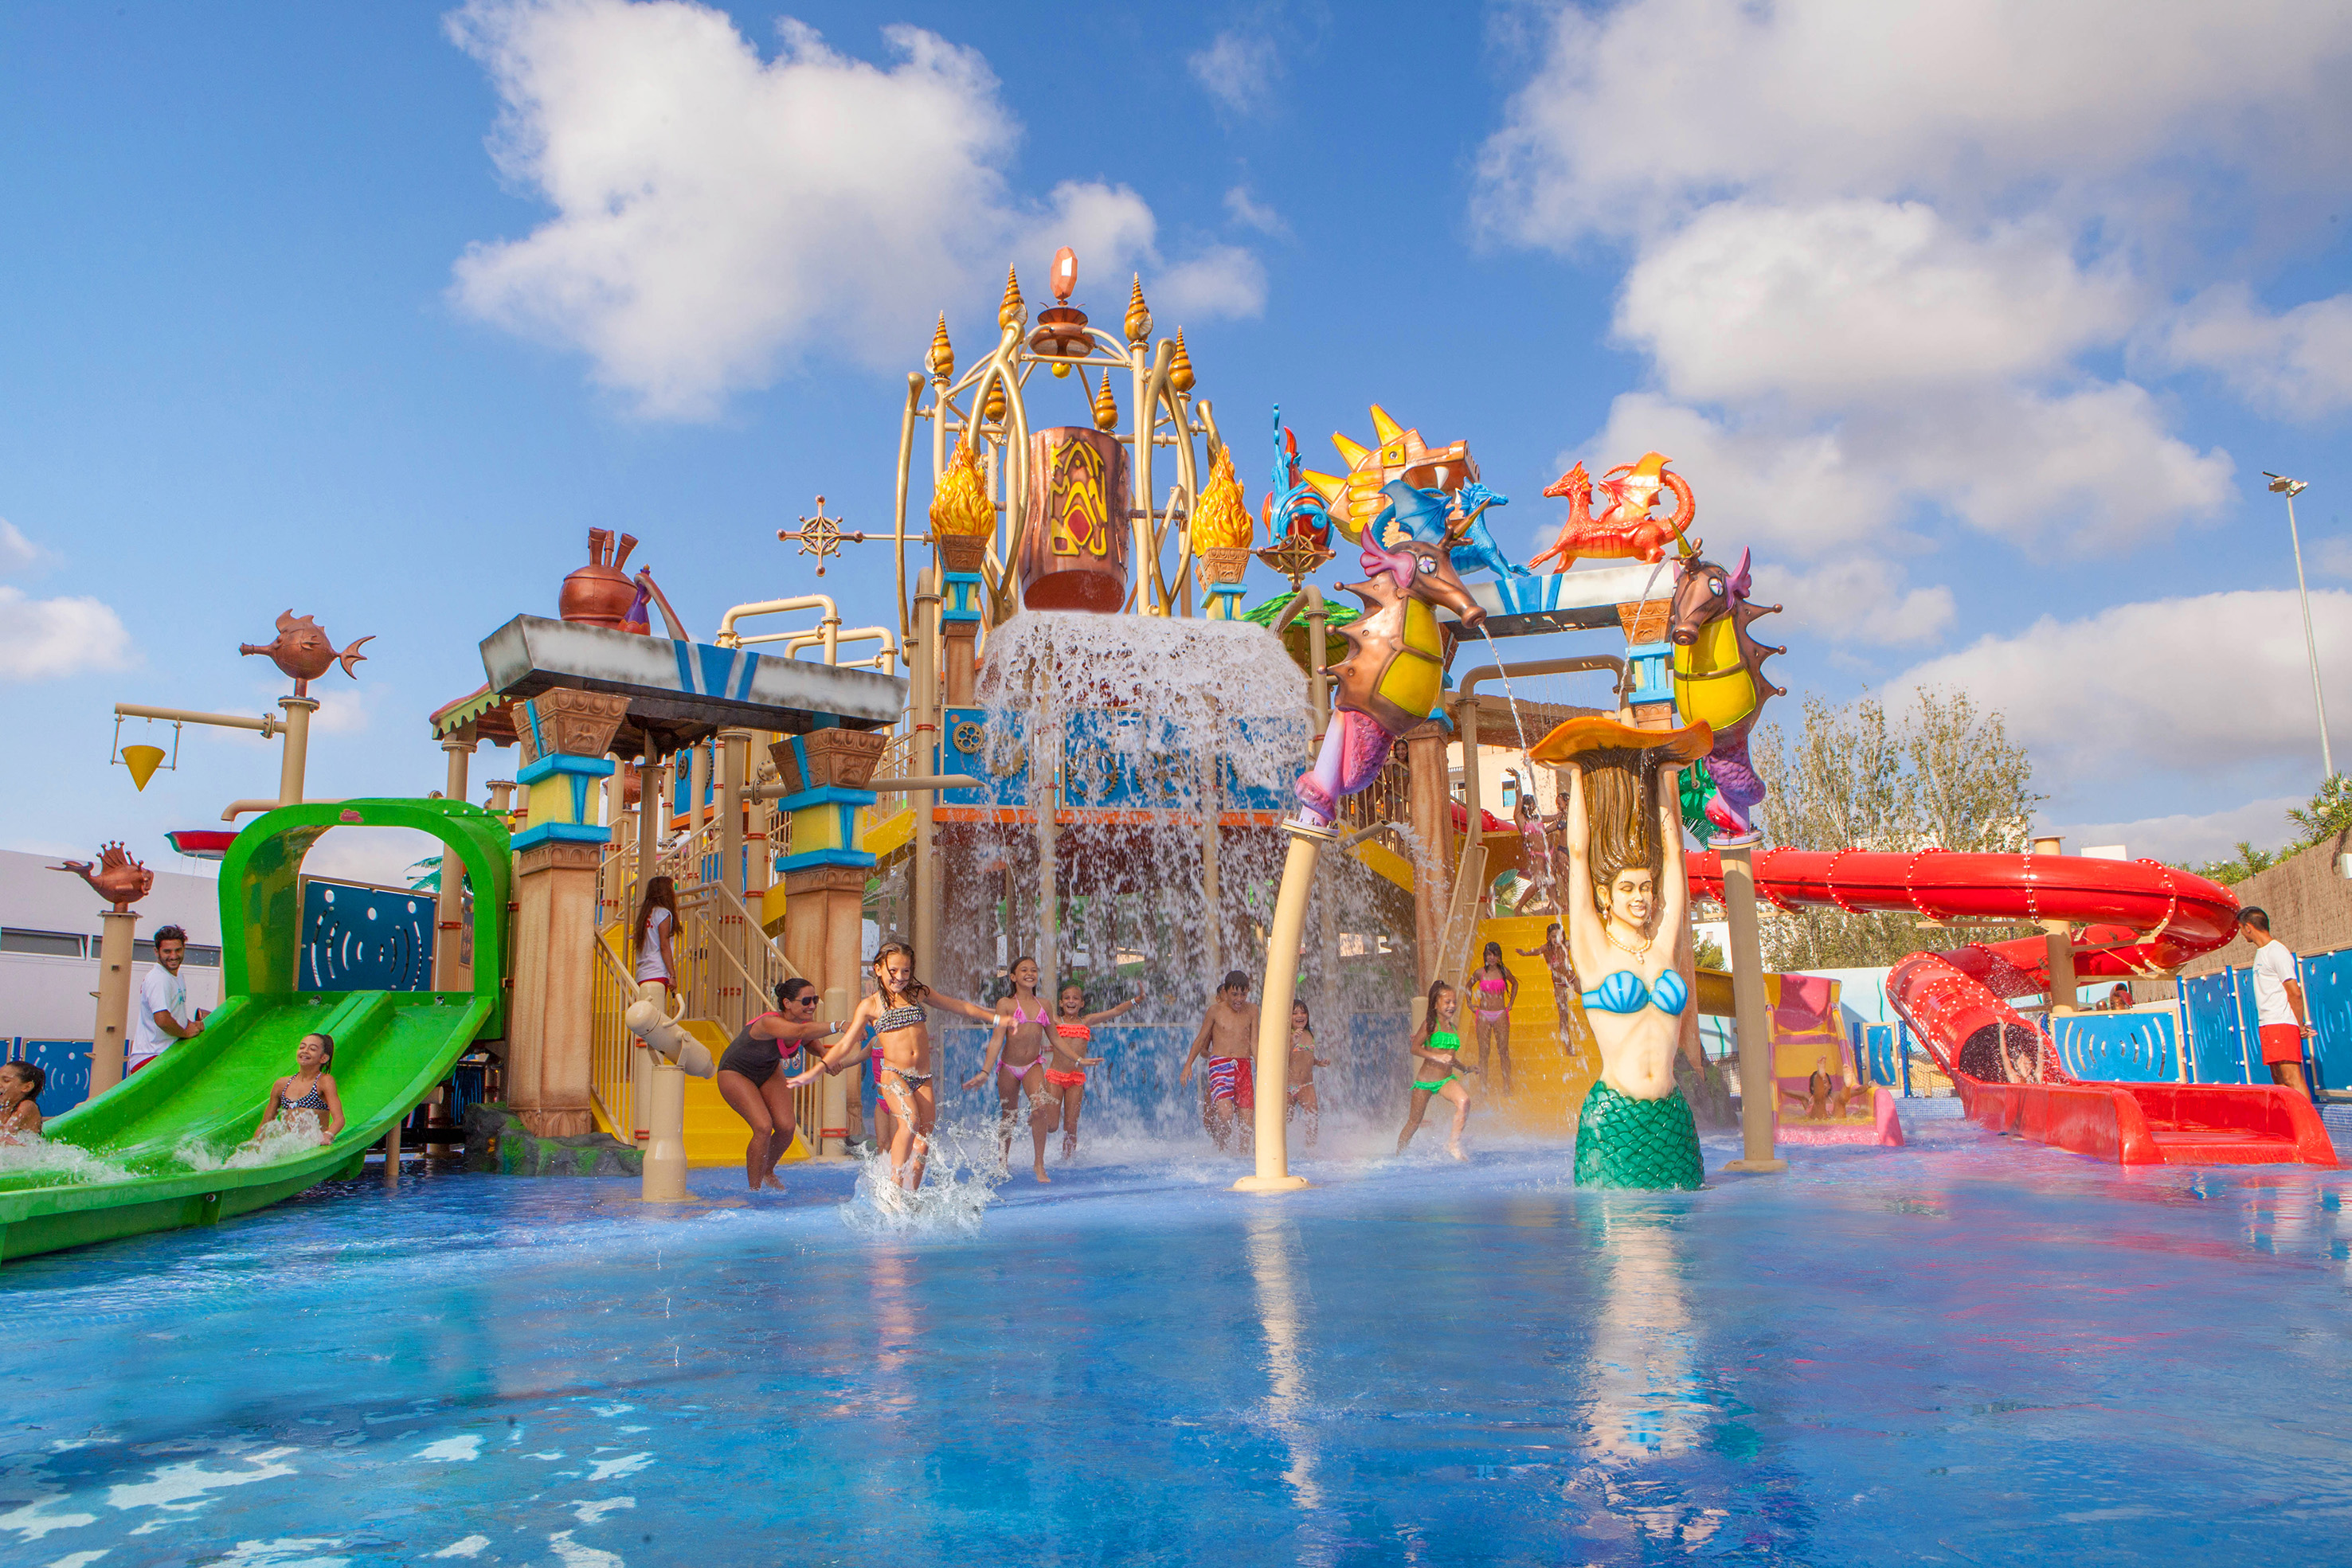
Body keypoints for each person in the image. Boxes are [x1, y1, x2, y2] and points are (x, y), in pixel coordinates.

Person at [1559, 737, 1704, 1190]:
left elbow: (1674, 858)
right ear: (1606, 896)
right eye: (1627, 889)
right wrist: (1576, 774)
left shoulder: (1662, 948)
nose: (1640, 898)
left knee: (1681, 1231)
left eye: (1645, 888)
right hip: (1616, 1121)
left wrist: (1664, 778)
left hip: (1672, 1117)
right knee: (1629, 1232)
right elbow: (1579, 856)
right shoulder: (1595, 952)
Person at [795, 940, 1009, 1191]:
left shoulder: (918, 993)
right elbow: (845, 1044)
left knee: (924, 1139)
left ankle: (911, 1193)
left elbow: (959, 1006)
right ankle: (894, 1188)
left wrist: (996, 1018)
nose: (900, 977)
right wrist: (818, 1069)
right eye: (893, 970)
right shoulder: (871, 1005)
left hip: (923, 1077)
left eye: (905, 971)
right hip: (893, 1075)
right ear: (878, 969)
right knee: (909, 1122)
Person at [714, 978, 850, 1192]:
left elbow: (807, 1039)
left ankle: (767, 1171)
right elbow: (800, 1034)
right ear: (787, 1003)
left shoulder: (801, 1025)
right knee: (763, 1126)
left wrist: (824, 1054)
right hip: (735, 1072)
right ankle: (754, 1190)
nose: (812, 1005)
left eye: (815, 1000)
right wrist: (839, 1026)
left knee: (786, 1128)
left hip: (768, 1070)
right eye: (806, 1001)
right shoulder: (769, 1023)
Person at [960, 955, 1060, 1181]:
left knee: (1040, 1108)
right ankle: (1002, 1161)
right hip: (1008, 1067)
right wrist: (985, 1071)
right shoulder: (1005, 1004)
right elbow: (997, 1040)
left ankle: (1039, 1164)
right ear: (1013, 977)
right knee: (1009, 1115)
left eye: (1034, 970)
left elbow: (1055, 1038)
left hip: (1033, 1064)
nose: (1030, 973)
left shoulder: (1044, 1004)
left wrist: (1077, 1059)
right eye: (1024, 970)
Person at [1037, 981, 1141, 1166]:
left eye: (1075, 998)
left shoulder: (1086, 1021)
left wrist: (1136, 1000)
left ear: (1082, 1003)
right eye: (1067, 998)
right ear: (1060, 1003)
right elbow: (1033, 1011)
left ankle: (1068, 1161)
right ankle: (1038, 1124)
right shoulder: (1056, 1021)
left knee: (1071, 1126)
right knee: (1052, 1126)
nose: (1071, 1001)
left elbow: (1115, 1011)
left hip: (1076, 1079)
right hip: (1055, 1077)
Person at [1180, 971, 1259, 1152]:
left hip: (1244, 1066)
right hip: (1220, 1065)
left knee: (1247, 1122)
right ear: (1225, 991)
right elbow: (1201, 1039)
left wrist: (1261, 1067)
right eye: (1234, 994)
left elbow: (1254, 1042)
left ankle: (1243, 1156)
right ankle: (1221, 1148)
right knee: (1225, 1115)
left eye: (1243, 994)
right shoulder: (1215, 1011)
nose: (1239, 999)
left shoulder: (1253, 1010)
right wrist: (1188, 1065)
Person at [1395, 980, 1475, 1158]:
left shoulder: (1453, 1028)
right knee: (1414, 1123)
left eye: (1454, 1002)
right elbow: (1415, 1048)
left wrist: (1466, 1068)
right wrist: (1437, 1057)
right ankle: (1398, 1155)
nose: (1452, 1005)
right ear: (1435, 1004)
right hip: (1425, 1082)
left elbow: (1450, 1058)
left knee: (1464, 1102)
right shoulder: (1430, 1025)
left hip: (1445, 1080)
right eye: (1447, 1002)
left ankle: (1453, 1144)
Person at [2240, 907, 2315, 1096]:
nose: (2241, 933)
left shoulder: (2277, 951)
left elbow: (2294, 992)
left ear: (2248, 927)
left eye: (2241, 928)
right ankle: (2288, 1115)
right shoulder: (2262, 953)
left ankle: (2306, 1116)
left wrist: (2299, 1026)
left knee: (2292, 1078)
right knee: (2279, 1080)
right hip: (2268, 1024)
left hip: (2281, 1022)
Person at [130, 924, 205, 1075]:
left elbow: (173, 1014)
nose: (173, 956)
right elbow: (162, 1020)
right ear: (156, 952)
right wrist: (185, 1032)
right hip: (151, 1057)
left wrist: (190, 1025)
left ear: (184, 949)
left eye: (178, 950)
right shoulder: (159, 979)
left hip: (162, 1054)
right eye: (167, 951)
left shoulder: (176, 975)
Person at [254, 1033, 345, 1147]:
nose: (305, 1051)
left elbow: (339, 1119)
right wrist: (254, 1147)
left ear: (323, 1058)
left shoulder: (324, 1081)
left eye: (312, 1049)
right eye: (302, 1047)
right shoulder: (281, 1084)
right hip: (290, 1147)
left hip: (314, 1146)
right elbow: (265, 1125)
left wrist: (327, 1135)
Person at [1516, 922, 1588, 1064]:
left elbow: (1581, 942)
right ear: (1548, 937)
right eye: (1553, 936)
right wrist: (1525, 953)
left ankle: (1593, 1026)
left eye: (1559, 936)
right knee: (1563, 1015)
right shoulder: (1546, 949)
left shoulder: (1566, 945)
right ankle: (1568, 1047)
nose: (1556, 939)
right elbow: (1535, 951)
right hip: (1558, 984)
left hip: (1571, 979)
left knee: (1589, 997)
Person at [1469, 942, 1519, 1093]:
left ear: (1499, 956)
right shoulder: (1479, 973)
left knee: (1503, 1051)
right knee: (1484, 1052)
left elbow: (1515, 984)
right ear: (1485, 956)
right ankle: (1483, 1087)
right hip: (1484, 1015)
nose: (1492, 958)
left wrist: (1511, 1003)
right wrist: (1469, 1004)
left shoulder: (1504, 972)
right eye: (1489, 954)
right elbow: (1468, 986)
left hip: (1500, 1014)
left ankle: (1507, 1085)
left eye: (1495, 955)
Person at [1286, 1000, 1332, 1148]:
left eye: (1303, 1012)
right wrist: (1292, 1042)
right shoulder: (1286, 1035)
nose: (1300, 1015)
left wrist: (1319, 1062)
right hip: (1287, 1086)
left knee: (1312, 1117)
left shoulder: (1309, 1034)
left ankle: (1311, 1149)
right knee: (1285, 1120)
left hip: (1306, 1085)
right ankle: (1284, 1149)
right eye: (1295, 1013)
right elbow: (1281, 1059)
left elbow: (1307, 1057)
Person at [632, 876, 680, 998]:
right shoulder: (663, 913)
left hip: (643, 973)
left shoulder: (645, 915)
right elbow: (664, 946)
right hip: (657, 971)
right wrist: (672, 975)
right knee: (657, 1008)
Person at [0, 1060, 44, 1142]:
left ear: (27, 1087)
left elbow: (6, 1134)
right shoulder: (3, 1111)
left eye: (6, 1080)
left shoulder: (27, 1106)